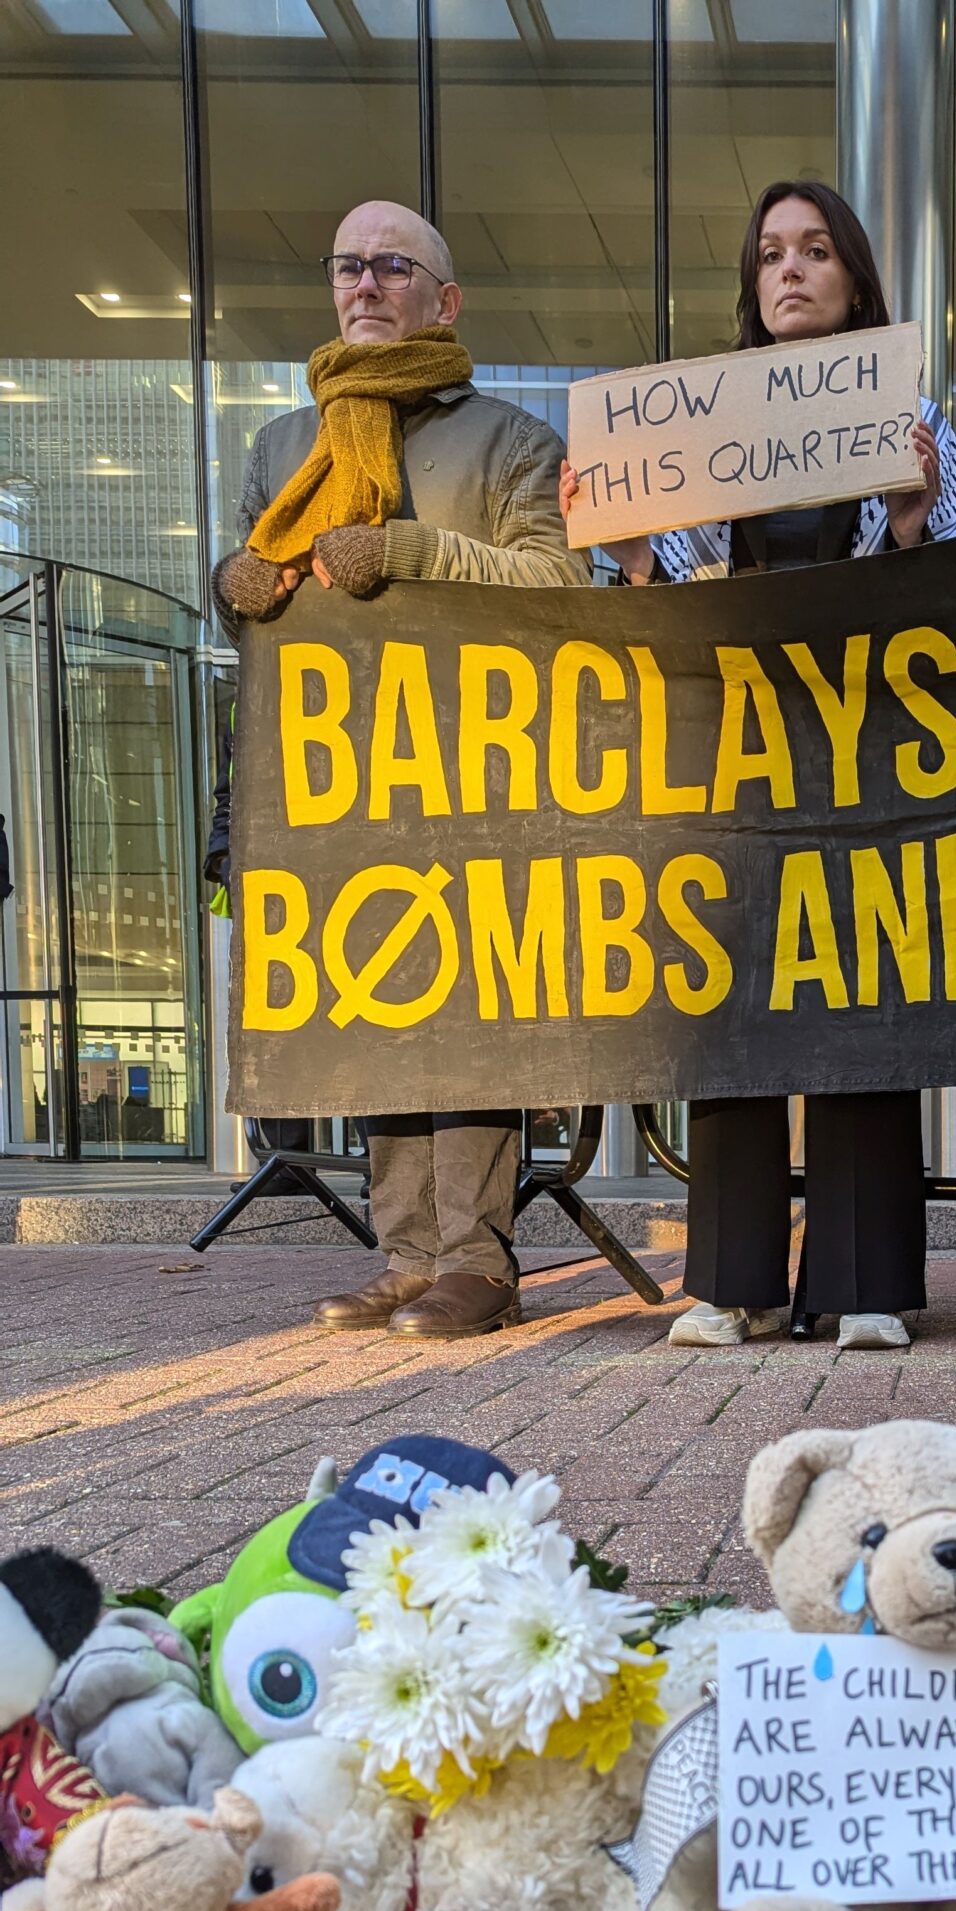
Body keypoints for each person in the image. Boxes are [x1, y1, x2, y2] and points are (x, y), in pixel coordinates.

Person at [563, 179, 956, 1351]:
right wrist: (634, 559)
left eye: (812, 250)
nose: (788, 270)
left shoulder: (915, 422)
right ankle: (730, 1279)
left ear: (852, 275)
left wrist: (907, 519)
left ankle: (861, 1284)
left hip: (871, 759)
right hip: (736, 767)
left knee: (863, 1004)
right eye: (768, 255)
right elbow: (654, 616)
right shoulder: (690, 429)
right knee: (728, 1009)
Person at [214, 200, 587, 1340]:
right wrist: (237, 583)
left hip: (475, 780)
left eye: (391, 266)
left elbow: (561, 587)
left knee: (469, 1013)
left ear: (445, 299)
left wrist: (413, 551)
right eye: (346, 267)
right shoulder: (284, 449)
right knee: (370, 1011)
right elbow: (250, 613)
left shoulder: (514, 441)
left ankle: (480, 1259)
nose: (364, 285)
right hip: (337, 790)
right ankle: (406, 1256)